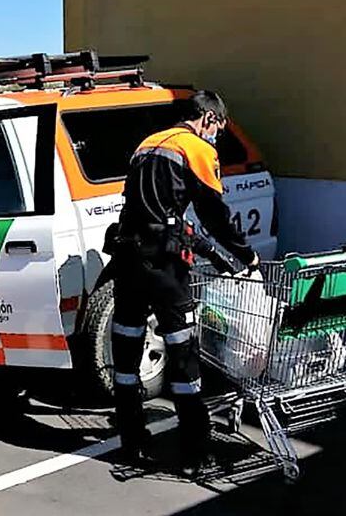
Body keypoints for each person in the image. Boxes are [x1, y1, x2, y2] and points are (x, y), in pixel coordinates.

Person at [107, 89, 259, 473]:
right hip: (165, 266)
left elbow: (151, 210)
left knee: (126, 353)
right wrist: (244, 254)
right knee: (182, 354)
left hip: (127, 259)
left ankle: (132, 443)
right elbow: (214, 213)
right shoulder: (196, 149)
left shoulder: (148, 144)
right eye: (219, 131)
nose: (216, 139)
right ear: (209, 119)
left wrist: (210, 251)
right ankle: (196, 454)